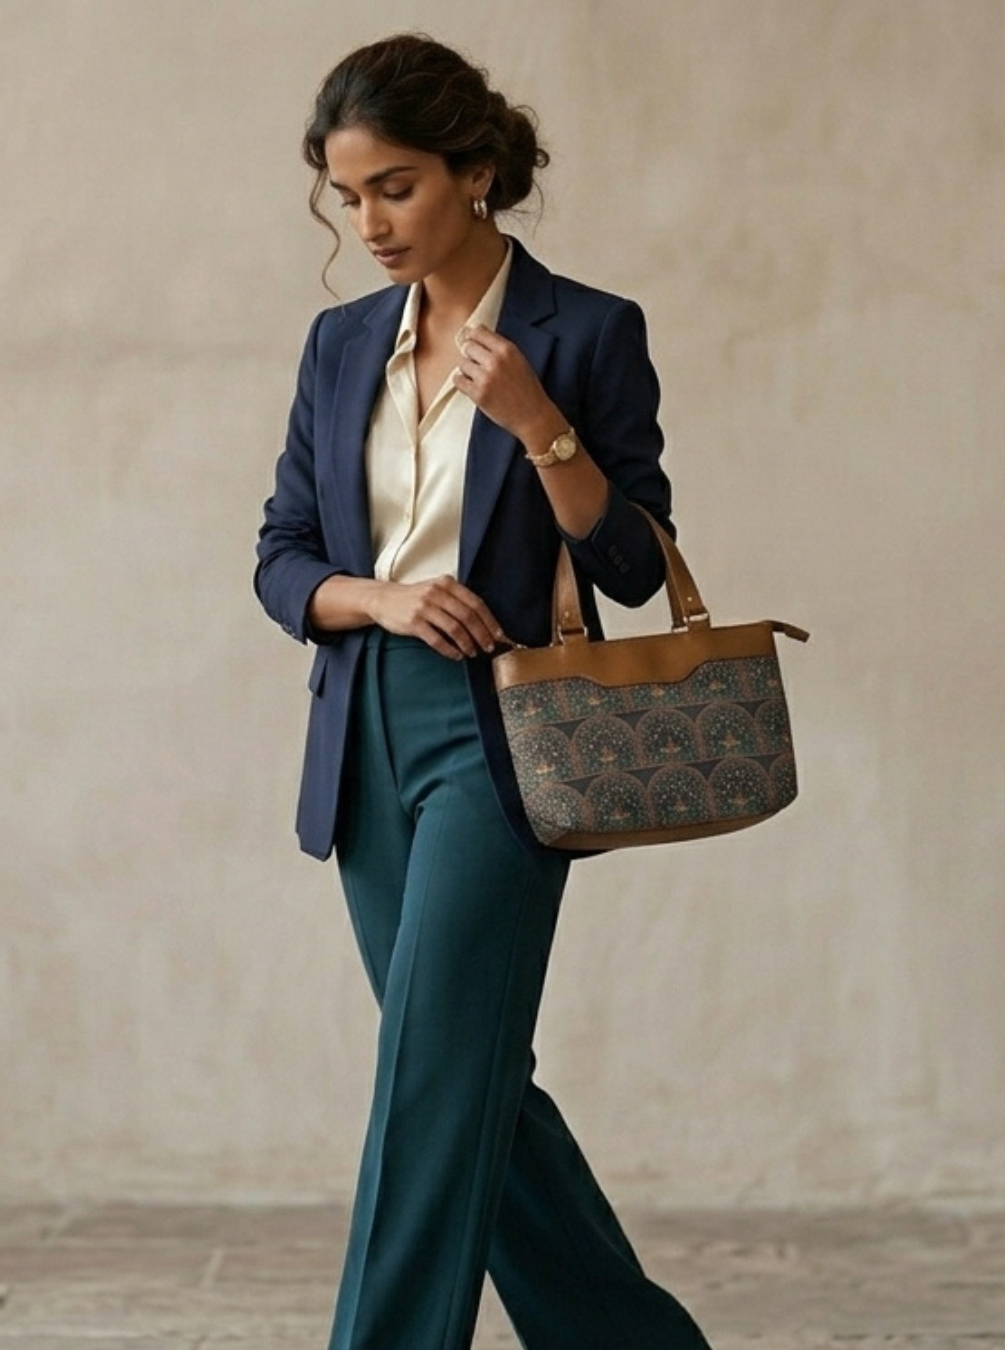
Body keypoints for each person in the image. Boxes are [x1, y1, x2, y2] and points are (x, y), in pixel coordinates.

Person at [255, 33, 712, 1350]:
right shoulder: (340, 344)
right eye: (350, 196)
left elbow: (628, 563)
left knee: (431, 1080)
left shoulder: (586, 332)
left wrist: (537, 424)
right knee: (468, 1081)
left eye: (394, 186)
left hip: (506, 740)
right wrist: (383, 597)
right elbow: (283, 558)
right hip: (363, 737)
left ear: (477, 171)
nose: (371, 221)